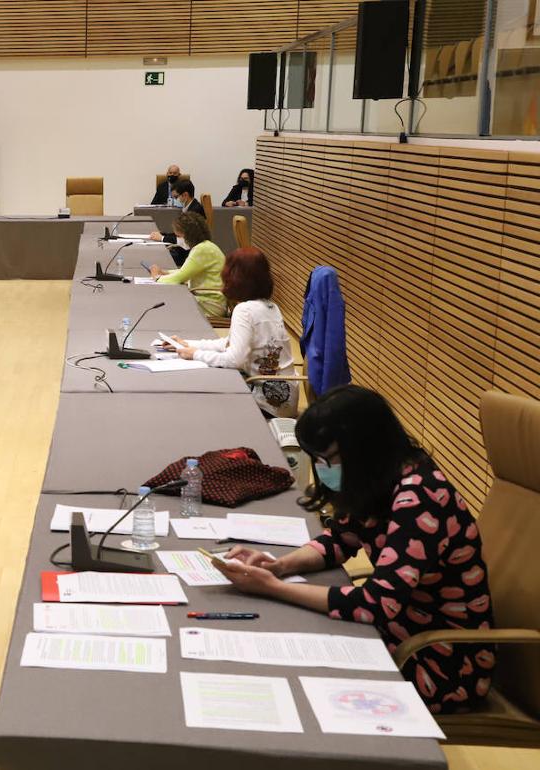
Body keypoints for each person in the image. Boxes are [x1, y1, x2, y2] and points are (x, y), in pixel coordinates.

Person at [211, 385, 495, 713]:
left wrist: (272, 588)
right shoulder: (378, 478)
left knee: (301, 685)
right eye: (316, 460)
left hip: (442, 661)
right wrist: (280, 567)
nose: (322, 470)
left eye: (328, 459)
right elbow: (339, 540)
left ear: (364, 449)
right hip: (398, 632)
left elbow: (377, 604)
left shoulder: (421, 497)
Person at [165, 248, 298, 418]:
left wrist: (196, 354)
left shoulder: (245, 310)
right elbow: (230, 343)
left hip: (267, 402)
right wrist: (189, 344)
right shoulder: (271, 307)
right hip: (287, 398)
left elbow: (235, 359)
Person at [148, 212, 226, 319]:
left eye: (179, 236)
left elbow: (179, 278)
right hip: (209, 300)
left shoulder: (202, 250)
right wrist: (165, 272)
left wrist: (157, 277)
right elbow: (186, 271)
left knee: (165, 304)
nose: (178, 240)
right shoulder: (206, 246)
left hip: (210, 304)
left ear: (188, 235)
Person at [149, 180, 206, 265]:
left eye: (176, 197)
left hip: (191, 254)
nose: (174, 200)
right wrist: (163, 234)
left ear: (185, 195)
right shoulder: (189, 207)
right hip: (186, 250)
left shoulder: (194, 211)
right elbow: (181, 234)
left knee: (159, 256)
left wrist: (162, 238)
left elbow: (186, 240)